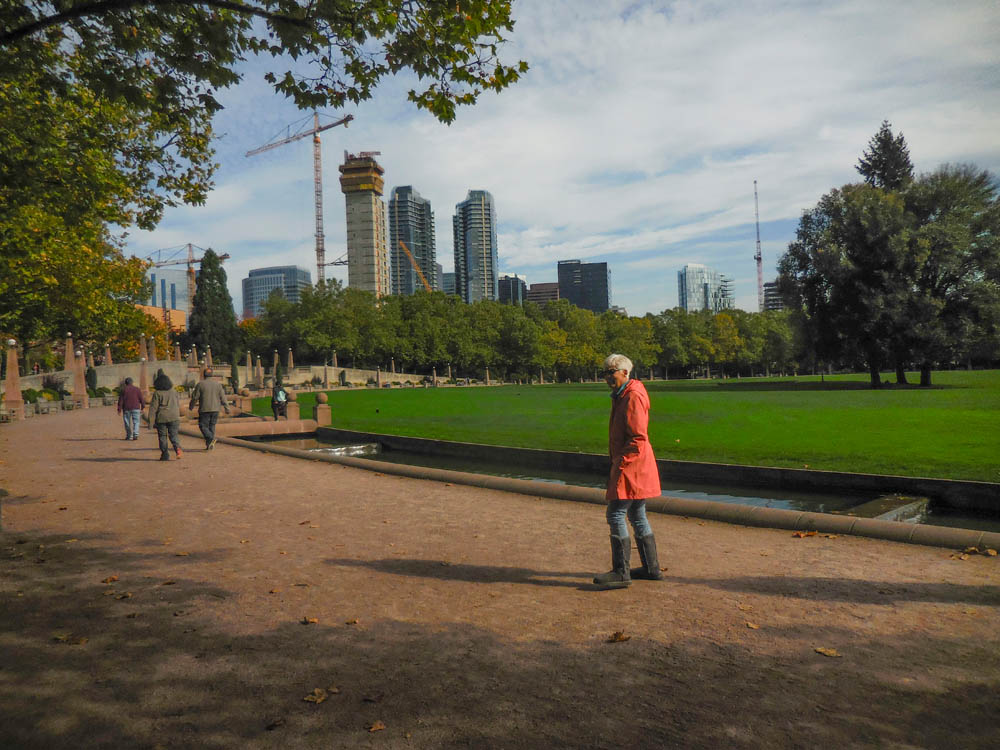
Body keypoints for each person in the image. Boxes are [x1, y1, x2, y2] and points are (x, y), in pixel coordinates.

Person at [593, 353, 663, 589]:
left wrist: (620, 463)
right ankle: (651, 568)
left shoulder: (631, 396)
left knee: (615, 514)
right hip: (636, 463)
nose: (607, 377)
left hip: (632, 464)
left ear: (624, 372)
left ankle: (621, 572)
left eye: (611, 372)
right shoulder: (625, 394)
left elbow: (637, 437)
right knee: (637, 514)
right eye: (605, 372)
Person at [188, 367, 230, 450]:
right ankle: (209, 445)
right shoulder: (218, 385)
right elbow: (223, 397)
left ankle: (211, 438)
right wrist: (227, 408)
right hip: (215, 409)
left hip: (204, 409)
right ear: (212, 375)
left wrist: (191, 406)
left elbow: (195, 397)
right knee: (212, 426)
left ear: (203, 375)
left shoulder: (200, 384)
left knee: (203, 426)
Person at [147, 371, 183, 461]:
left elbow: (153, 408)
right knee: (174, 435)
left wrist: (150, 422)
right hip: (174, 416)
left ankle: (165, 454)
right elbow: (177, 404)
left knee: (162, 436)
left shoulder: (157, 393)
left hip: (161, 417)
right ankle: (177, 448)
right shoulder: (174, 392)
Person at [116, 376, 145, 440]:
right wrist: (143, 407)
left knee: (127, 422)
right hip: (136, 407)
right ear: (132, 382)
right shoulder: (137, 389)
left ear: (125, 383)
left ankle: (129, 435)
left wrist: (119, 410)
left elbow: (121, 400)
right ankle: (135, 433)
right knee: (136, 421)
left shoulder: (123, 390)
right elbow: (141, 399)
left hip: (126, 408)